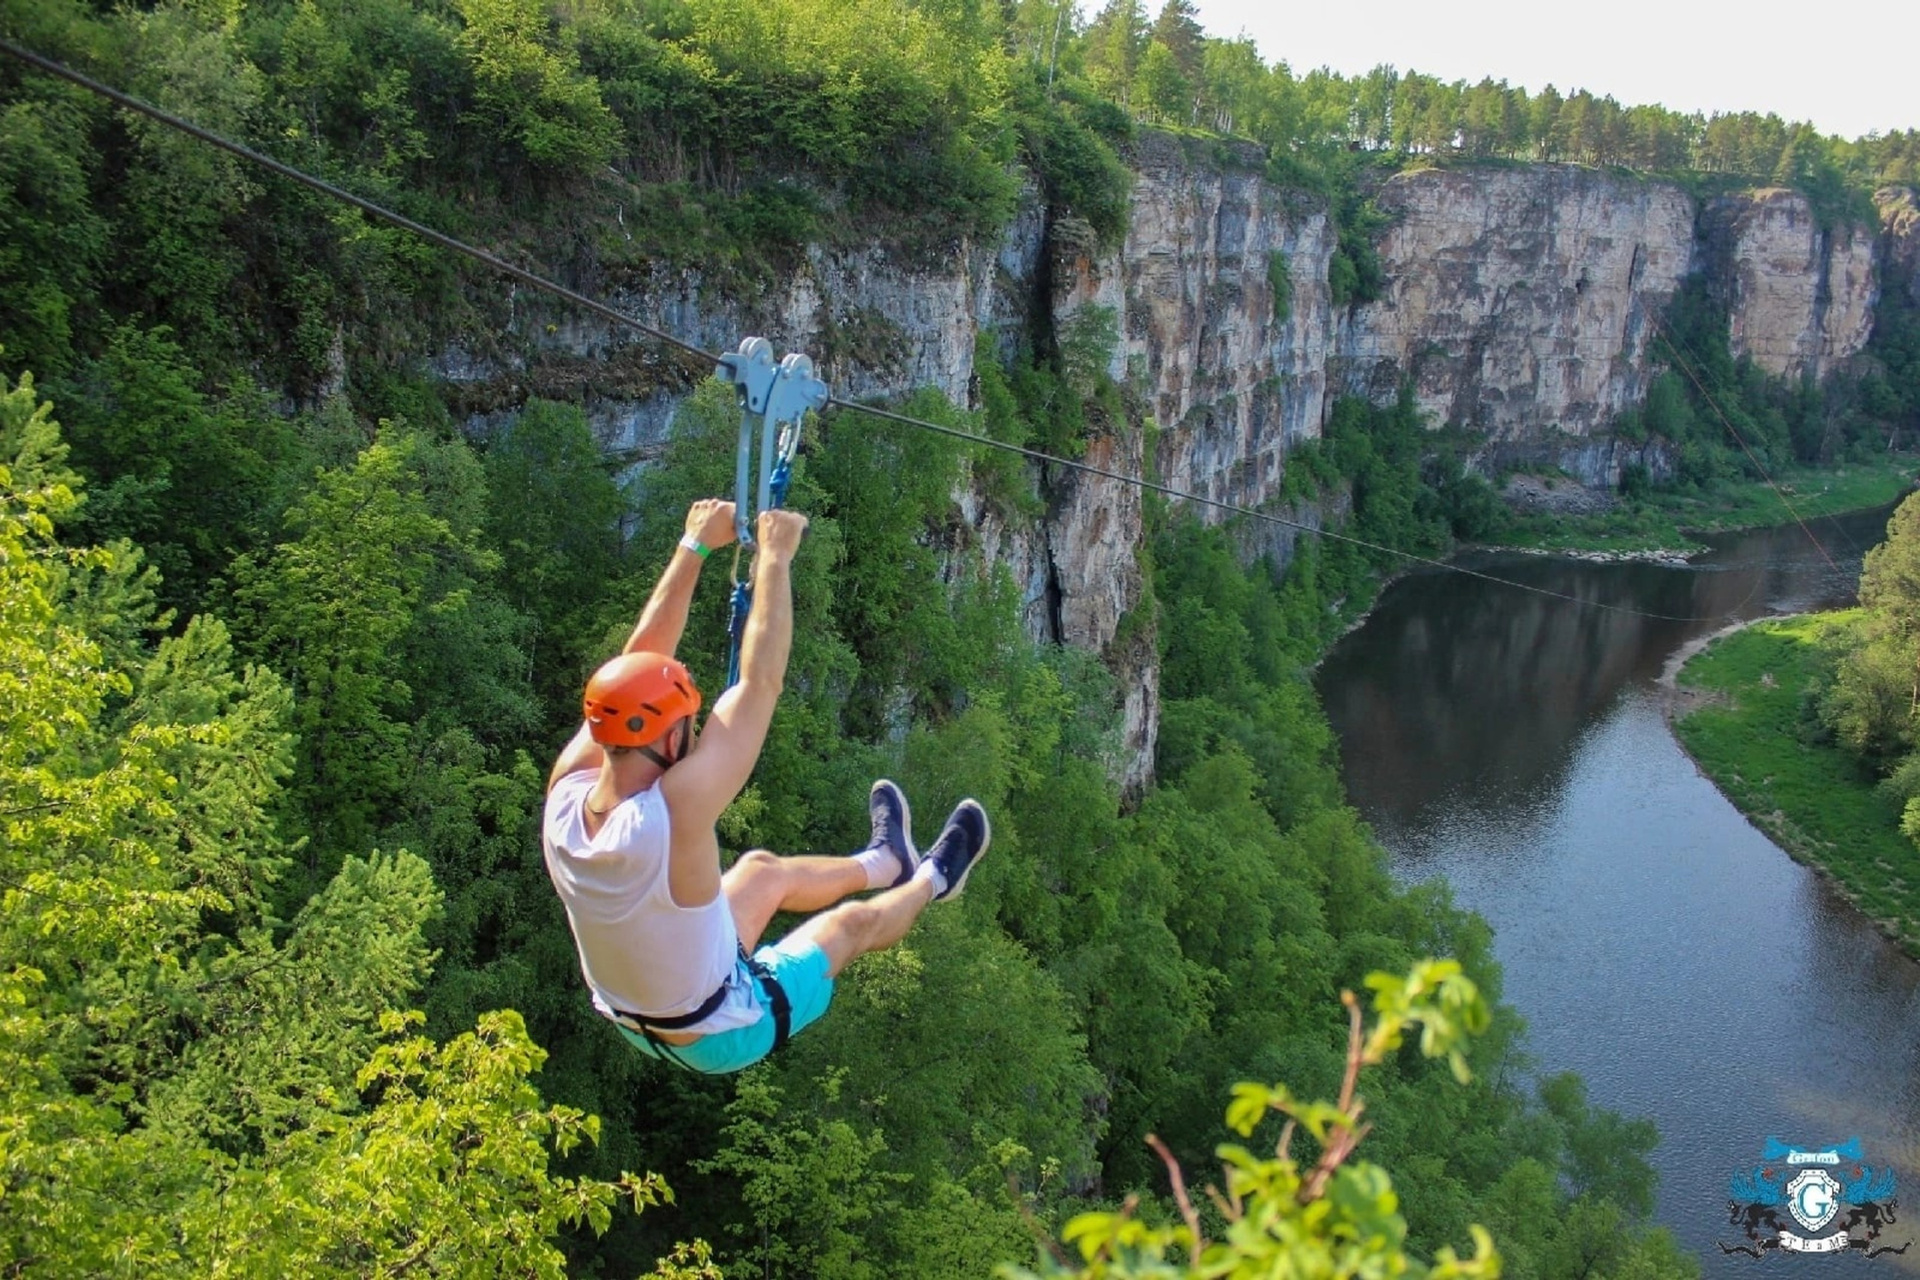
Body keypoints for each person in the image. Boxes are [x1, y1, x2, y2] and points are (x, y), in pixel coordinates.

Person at [542, 498, 990, 1074]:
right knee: (849, 927)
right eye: (690, 724)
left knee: (760, 870)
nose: (697, 732)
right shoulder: (673, 813)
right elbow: (760, 683)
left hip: (644, 1007)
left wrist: (696, 545)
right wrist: (775, 557)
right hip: (715, 1028)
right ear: (670, 740)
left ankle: (886, 861)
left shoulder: (567, 791)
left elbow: (637, 661)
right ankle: (934, 877)